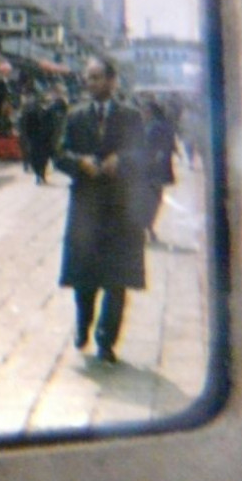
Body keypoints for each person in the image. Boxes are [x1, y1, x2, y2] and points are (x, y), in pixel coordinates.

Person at [53, 57, 146, 364]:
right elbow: (60, 154)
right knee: (84, 277)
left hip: (120, 209)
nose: (91, 83)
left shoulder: (131, 116)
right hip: (86, 207)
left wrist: (122, 160)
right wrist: (79, 163)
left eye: (96, 78)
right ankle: (83, 325)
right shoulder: (76, 115)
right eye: (88, 78)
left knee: (116, 281)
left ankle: (107, 342)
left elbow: (143, 154)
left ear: (112, 81)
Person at [138, 100, 178, 244]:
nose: (142, 113)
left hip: (151, 170)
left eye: (144, 111)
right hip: (160, 171)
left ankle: (146, 227)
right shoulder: (164, 125)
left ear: (151, 112)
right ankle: (148, 228)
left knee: (148, 201)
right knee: (154, 201)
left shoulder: (153, 127)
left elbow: (149, 149)